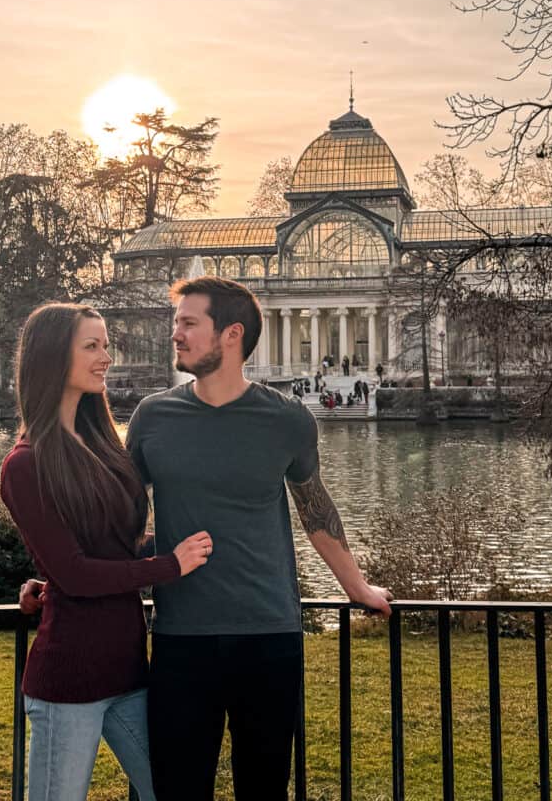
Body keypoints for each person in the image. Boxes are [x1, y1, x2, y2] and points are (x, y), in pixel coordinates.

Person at [127, 277, 391, 799]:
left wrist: (357, 588)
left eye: (187, 323)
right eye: (175, 322)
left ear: (231, 334)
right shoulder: (152, 417)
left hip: (270, 637)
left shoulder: (288, 419)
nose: (174, 334)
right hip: (181, 638)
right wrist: (60, 578)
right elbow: (121, 517)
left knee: (265, 789)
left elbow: (316, 510)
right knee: (177, 788)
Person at [3, 302, 212, 801]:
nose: (106, 357)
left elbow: (109, 549)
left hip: (128, 674)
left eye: (105, 345)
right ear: (54, 358)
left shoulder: (100, 445)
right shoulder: (25, 464)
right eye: (91, 346)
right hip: (68, 684)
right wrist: (169, 565)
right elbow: (75, 573)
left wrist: (188, 541)